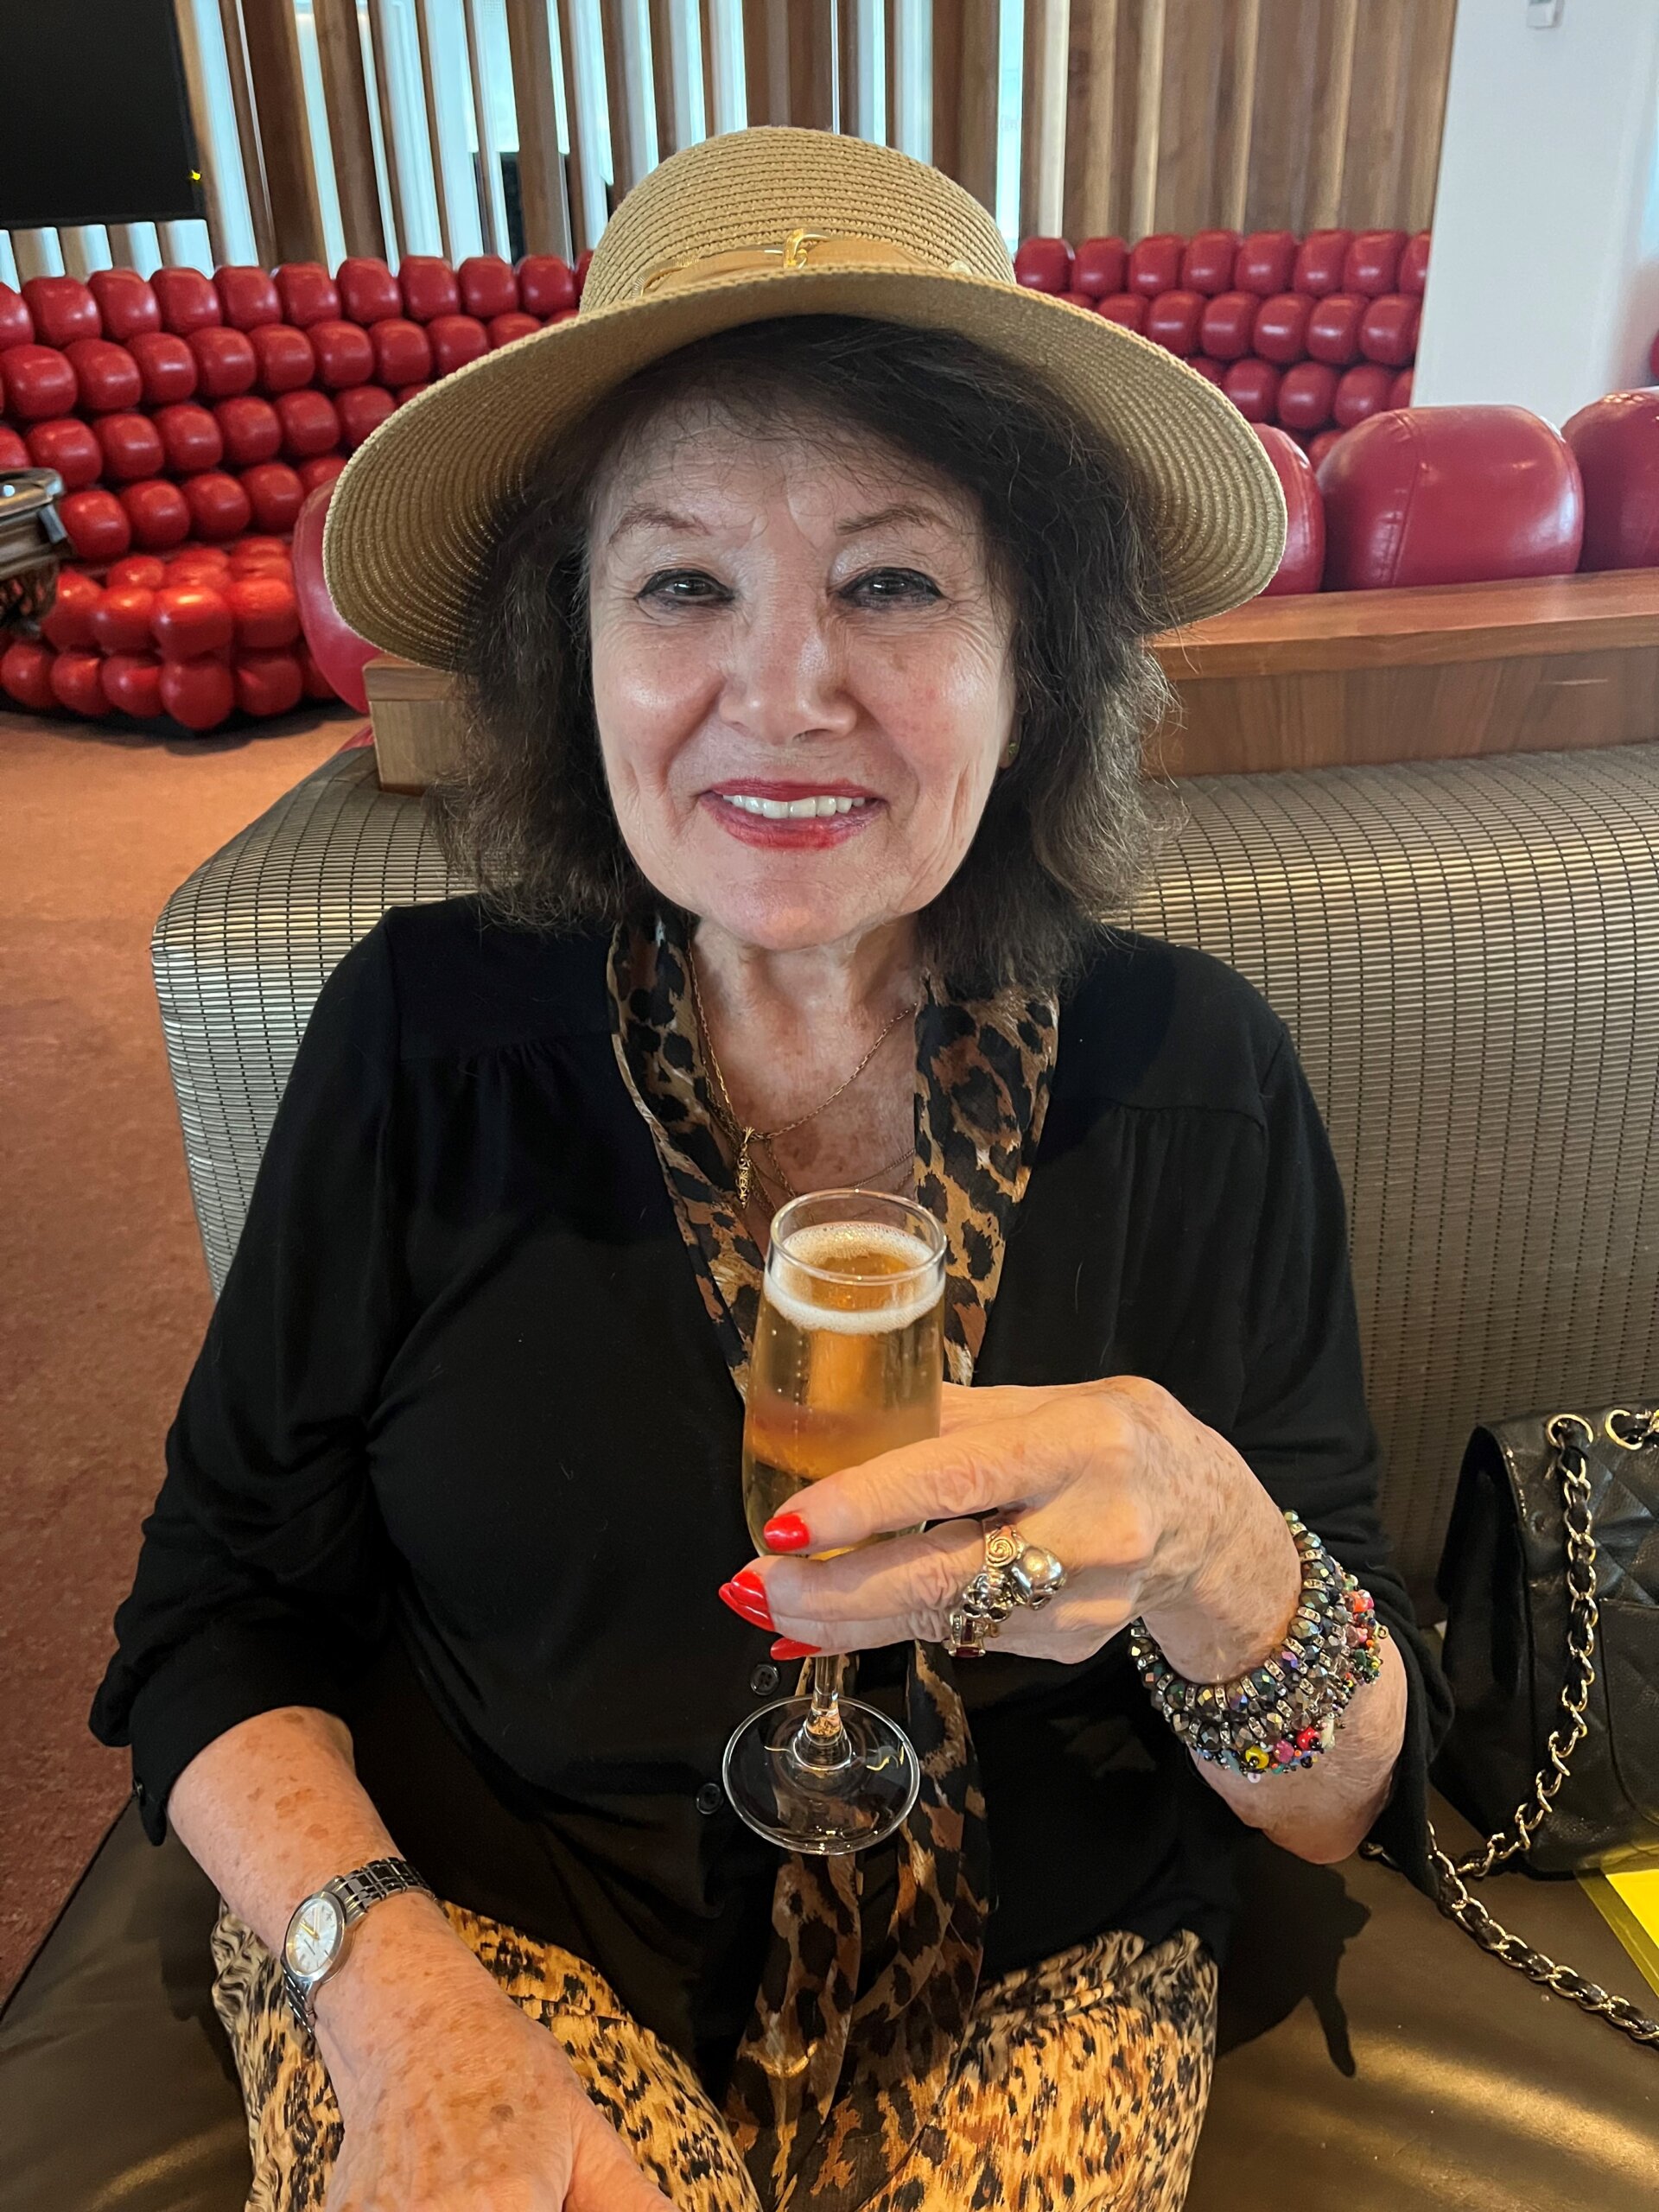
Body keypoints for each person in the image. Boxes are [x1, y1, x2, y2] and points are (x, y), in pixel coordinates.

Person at [92, 127, 1449, 2212]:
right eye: (683, 584)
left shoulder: (1196, 1075)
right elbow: (213, 1609)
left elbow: (1335, 1801)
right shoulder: (422, 1037)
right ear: (575, 651)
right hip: (492, 1934)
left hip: (1045, 1978)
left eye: (892, 581)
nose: (784, 690)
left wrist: (1209, 1538)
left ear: (1034, 653)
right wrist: (394, 1992)